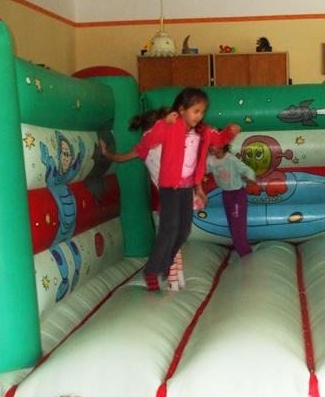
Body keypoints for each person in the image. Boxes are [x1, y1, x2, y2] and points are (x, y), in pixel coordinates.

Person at [101, 87, 240, 292]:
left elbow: (219, 140)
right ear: (182, 110)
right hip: (169, 187)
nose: (199, 116)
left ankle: (165, 262)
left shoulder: (202, 131)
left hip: (186, 187)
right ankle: (152, 271)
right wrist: (162, 124)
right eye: (196, 111)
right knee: (170, 228)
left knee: (183, 230)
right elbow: (148, 141)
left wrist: (229, 131)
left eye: (202, 112)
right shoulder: (170, 127)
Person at [206, 143, 257, 257]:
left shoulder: (231, 160)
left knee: (237, 226)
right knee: (232, 225)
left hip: (237, 195)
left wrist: (250, 178)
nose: (210, 148)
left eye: (213, 145)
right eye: (209, 145)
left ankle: (245, 253)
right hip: (226, 194)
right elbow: (202, 170)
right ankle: (242, 251)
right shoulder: (210, 160)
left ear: (222, 145)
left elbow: (248, 170)